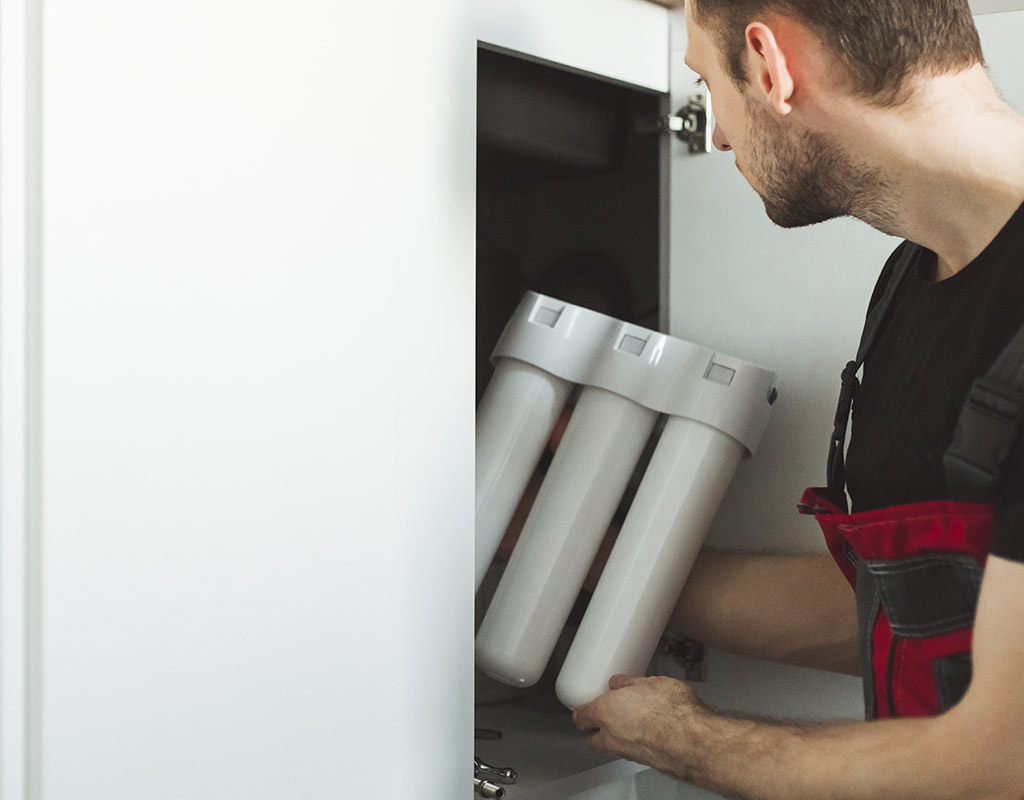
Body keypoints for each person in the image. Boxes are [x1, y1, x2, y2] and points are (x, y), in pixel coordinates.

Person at [570, 1, 1024, 797]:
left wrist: (690, 742)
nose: (713, 135)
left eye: (709, 88)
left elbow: (1002, 762)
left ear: (770, 63)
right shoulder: (911, 285)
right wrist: (572, 551)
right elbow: (893, 612)